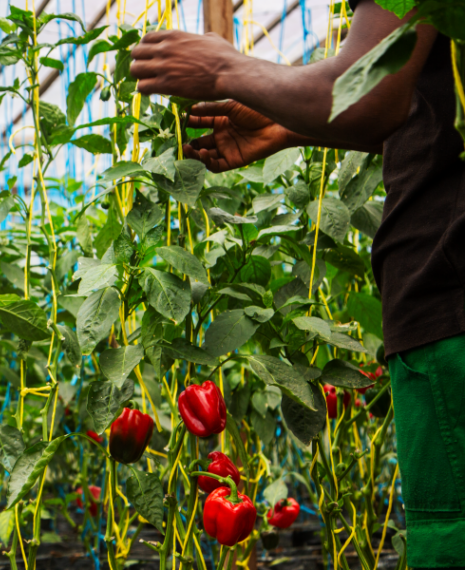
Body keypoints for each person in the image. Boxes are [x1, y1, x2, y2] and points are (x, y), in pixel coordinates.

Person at [130, 2, 465, 566]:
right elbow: (423, 110)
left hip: (448, 287)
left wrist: (225, 69)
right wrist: (288, 126)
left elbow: (369, 88)